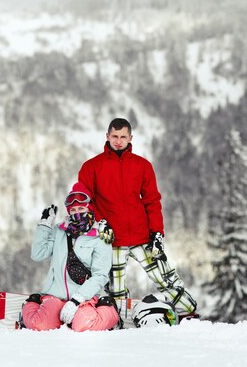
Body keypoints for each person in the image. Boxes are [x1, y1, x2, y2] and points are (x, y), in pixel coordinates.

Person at [77, 118, 198, 320]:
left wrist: (157, 233)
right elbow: (84, 201)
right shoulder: (91, 167)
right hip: (112, 240)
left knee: (165, 277)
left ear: (130, 138)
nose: (118, 141)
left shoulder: (142, 166)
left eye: (123, 136)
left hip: (142, 236)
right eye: (114, 136)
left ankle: (189, 313)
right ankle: (120, 322)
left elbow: (152, 201)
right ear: (107, 136)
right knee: (116, 289)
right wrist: (100, 222)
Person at [20, 182, 120, 332]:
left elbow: (100, 275)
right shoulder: (59, 231)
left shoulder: (100, 237)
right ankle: (31, 307)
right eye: (73, 210)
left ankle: (109, 311)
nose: (77, 213)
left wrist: (77, 299)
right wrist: (44, 226)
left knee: (82, 325)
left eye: (81, 208)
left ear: (89, 208)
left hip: (84, 298)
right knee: (39, 325)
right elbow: (38, 254)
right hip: (55, 296)